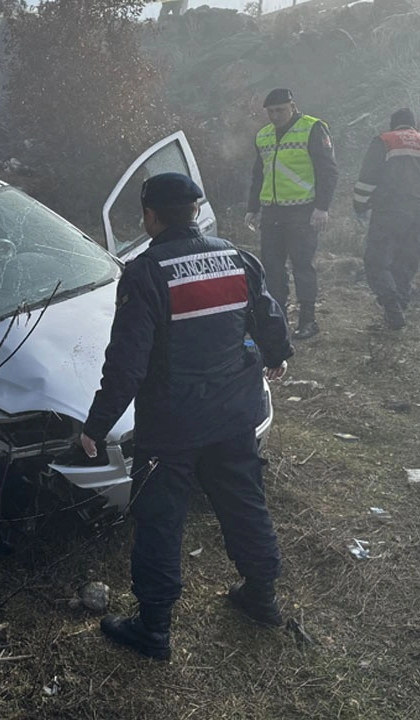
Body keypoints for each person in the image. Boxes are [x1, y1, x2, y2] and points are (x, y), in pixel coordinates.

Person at [80, 173, 293, 661]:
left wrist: (97, 424)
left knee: (160, 520)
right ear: (196, 211)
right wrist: (278, 354)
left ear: (150, 216)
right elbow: (268, 314)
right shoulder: (237, 257)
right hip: (234, 413)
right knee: (244, 500)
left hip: (172, 425)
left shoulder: (146, 271)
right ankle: (261, 597)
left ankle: (153, 629)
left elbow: (128, 360)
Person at [245, 88, 337, 340]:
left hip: (302, 211)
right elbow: (258, 175)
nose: (274, 116)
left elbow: (328, 171)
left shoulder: (313, 128)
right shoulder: (263, 135)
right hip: (272, 212)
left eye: (280, 110)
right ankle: (279, 320)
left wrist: (322, 207)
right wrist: (252, 208)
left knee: (302, 267)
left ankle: (308, 320)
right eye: (270, 112)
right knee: (272, 269)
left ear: (292, 107)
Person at [352, 108, 420, 330]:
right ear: (414, 125)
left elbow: (367, 179)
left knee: (377, 261)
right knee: (405, 261)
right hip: (419, 213)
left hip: (389, 210)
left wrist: (360, 205)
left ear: (394, 124)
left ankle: (392, 306)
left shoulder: (385, 140)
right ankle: (400, 305)